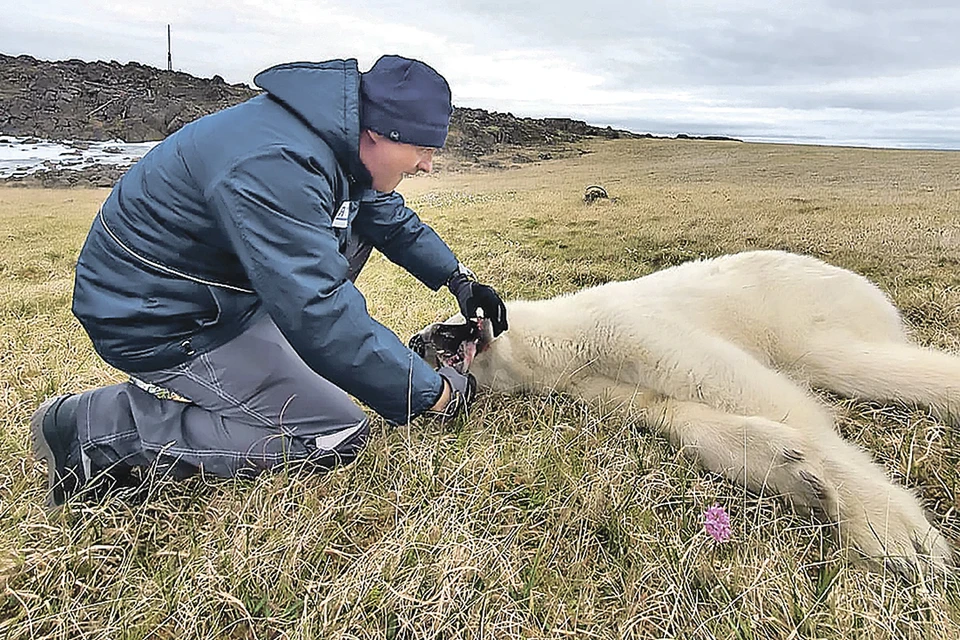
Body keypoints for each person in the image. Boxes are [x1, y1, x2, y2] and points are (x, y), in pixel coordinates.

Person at [29, 55, 508, 508]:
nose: (427, 165)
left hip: (210, 296)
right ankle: (97, 430)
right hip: (158, 317)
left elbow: (383, 216)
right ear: (379, 133)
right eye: (423, 148)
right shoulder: (278, 163)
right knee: (334, 433)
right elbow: (318, 310)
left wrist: (459, 280)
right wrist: (433, 394)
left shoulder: (334, 145)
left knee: (352, 237)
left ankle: (276, 362)